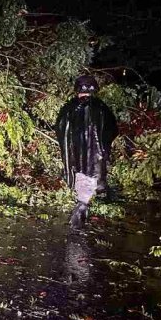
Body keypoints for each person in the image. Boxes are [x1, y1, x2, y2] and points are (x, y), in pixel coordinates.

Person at [55, 75, 118, 228]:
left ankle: (81, 213)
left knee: (82, 179)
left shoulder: (69, 108)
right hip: (95, 156)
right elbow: (113, 129)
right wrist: (103, 144)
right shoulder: (101, 108)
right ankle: (79, 215)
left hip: (75, 155)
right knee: (89, 179)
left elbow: (60, 128)